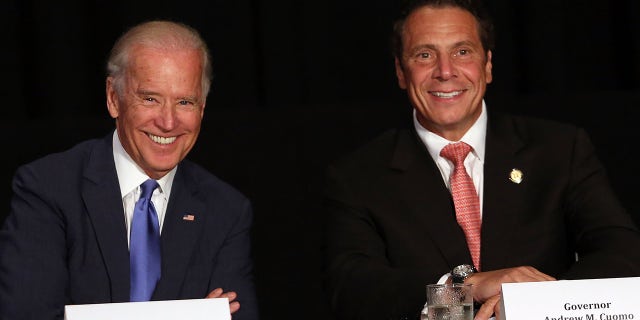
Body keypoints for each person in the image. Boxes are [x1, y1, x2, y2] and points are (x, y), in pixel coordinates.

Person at [321, 0, 640, 319]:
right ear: (400, 72)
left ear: (487, 65)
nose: (445, 72)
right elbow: (352, 290)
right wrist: (464, 290)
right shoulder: (359, 176)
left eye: (462, 51)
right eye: (425, 55)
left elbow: (623, 251)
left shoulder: (559, 149)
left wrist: (539, 306)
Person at [0, 20, 259, 320]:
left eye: (185, 102)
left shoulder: (226, 211)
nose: (168, 122)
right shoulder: (47, 189)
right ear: (113, 98)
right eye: (150, 98)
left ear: (202, 109)